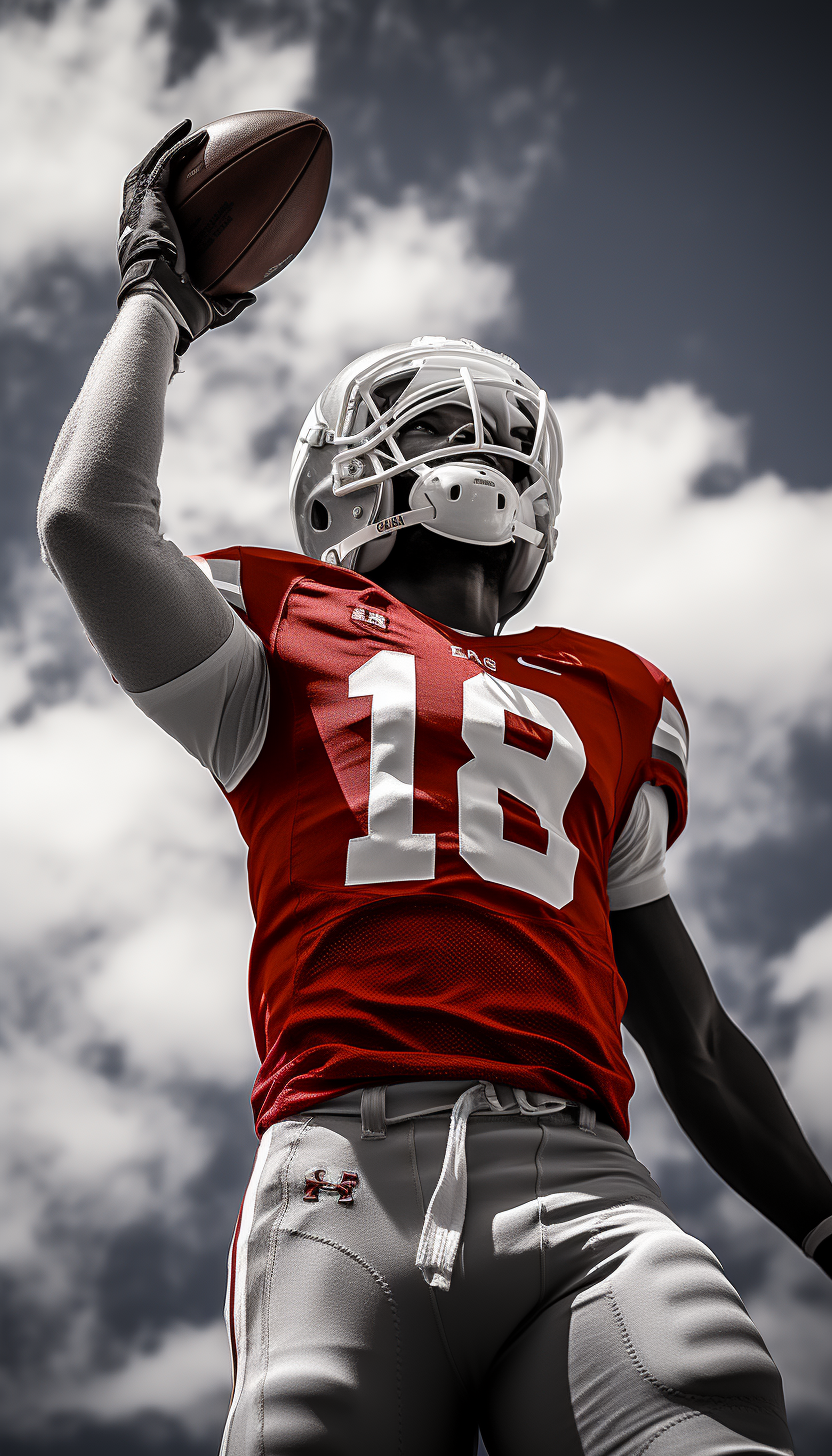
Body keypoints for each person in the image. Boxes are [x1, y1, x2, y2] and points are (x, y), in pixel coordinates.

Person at [38, 123, 832, 1456]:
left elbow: (688, 1034)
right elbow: (88, 522)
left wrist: (824, 1217)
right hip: (344, 1176)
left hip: (571, 1189)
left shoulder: (610, 692)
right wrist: (158, 298)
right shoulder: (283, 638)